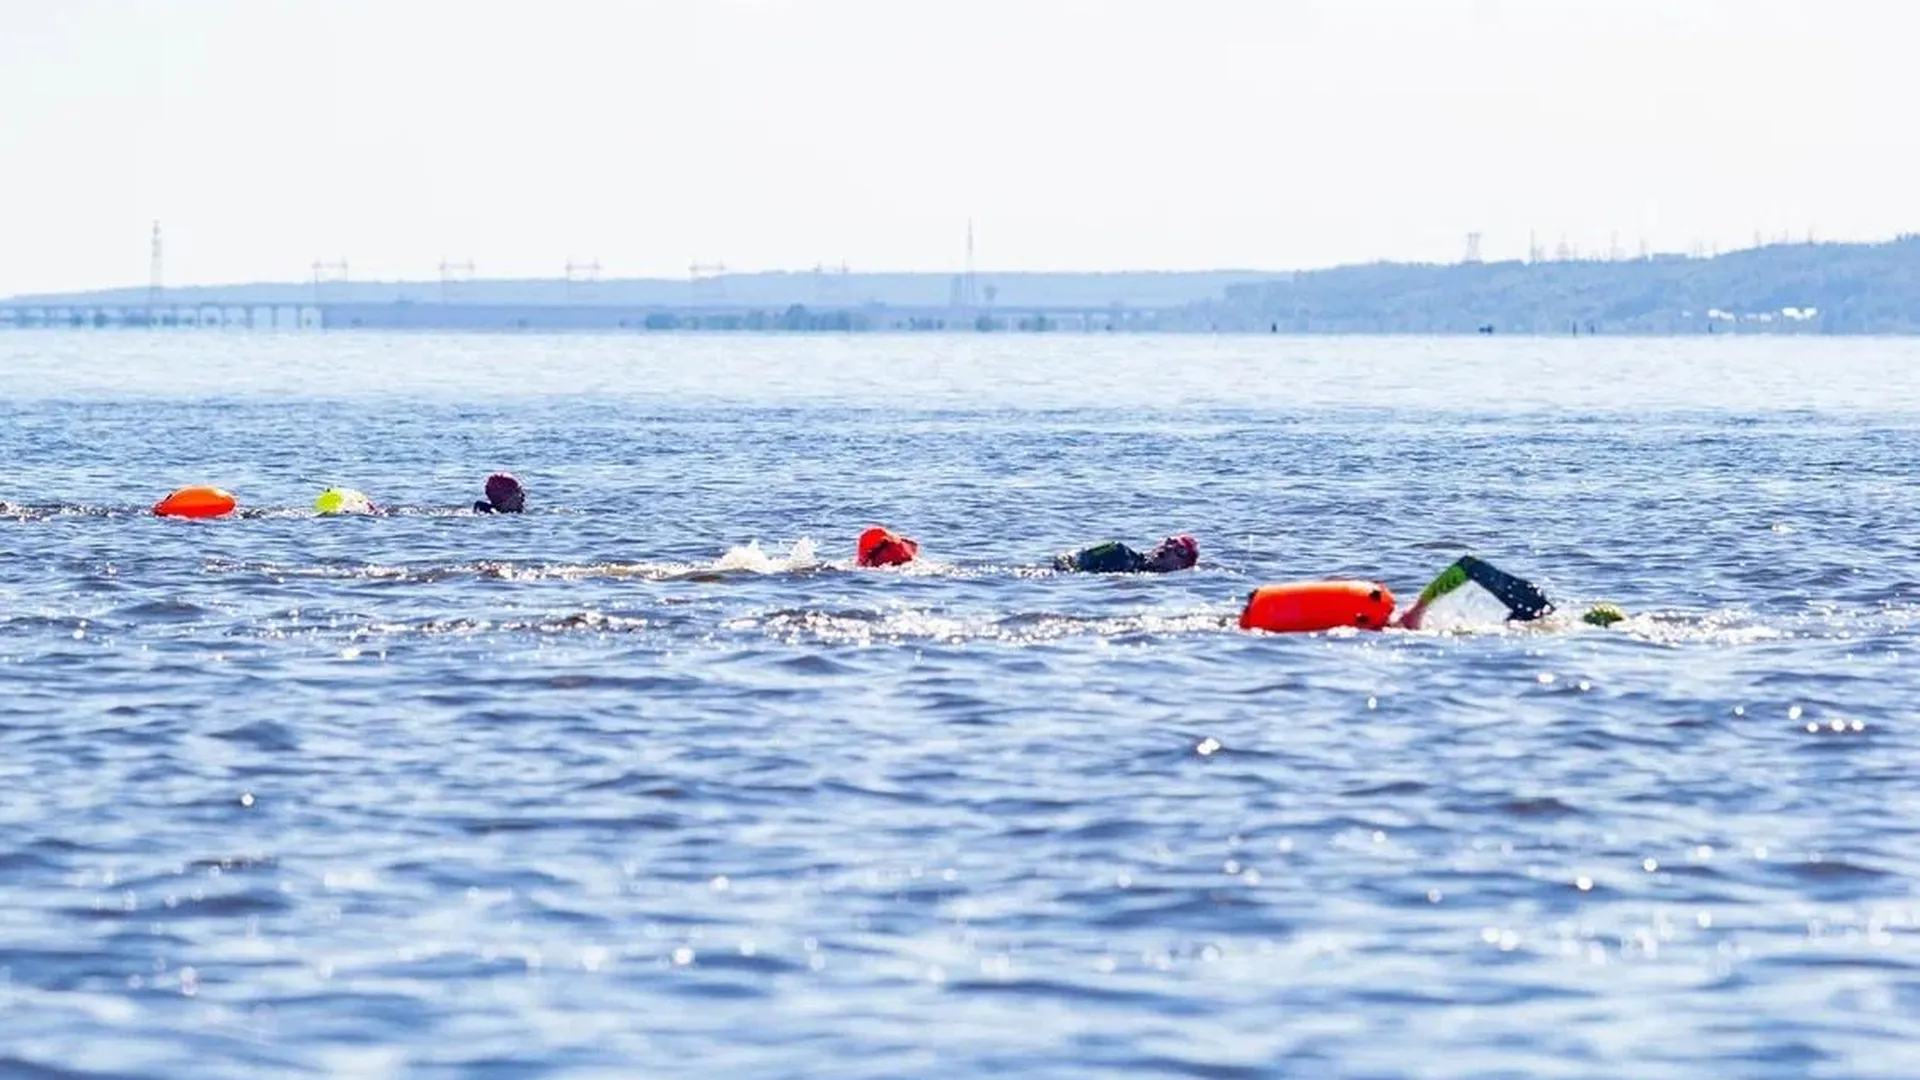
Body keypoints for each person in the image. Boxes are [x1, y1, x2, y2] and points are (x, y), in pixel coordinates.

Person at [1395, 554, 1626, 630]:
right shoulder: (1536, 607)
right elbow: (1468, 565)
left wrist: (1418, 609)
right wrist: (1417, 611)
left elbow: (1468, 565)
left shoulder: (1537, 612)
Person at [1053, 534, 1199, 574]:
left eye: (1180, 550)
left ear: (1182, 566)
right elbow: (1065, 558)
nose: (1169, 548)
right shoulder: (1117, 551)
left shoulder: (1150, 584)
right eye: (1169, 541)